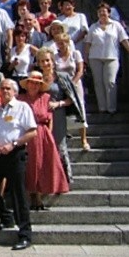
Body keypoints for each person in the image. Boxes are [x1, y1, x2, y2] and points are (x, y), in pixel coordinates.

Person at [0, 79, 36, 250]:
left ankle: (25, 234)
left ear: (14, 91)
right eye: (2, 88)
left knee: (18, 194)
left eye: (8, 88)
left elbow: (32, 131)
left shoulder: (22, 107)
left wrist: (13, 144)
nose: (5, 91)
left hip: (15, 154)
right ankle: (6, 218)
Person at [18, 72, 69, 210]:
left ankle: (39, 195)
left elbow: (49, 118)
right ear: (27, 84)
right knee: (29, 166)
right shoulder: (20, 99)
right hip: (26, 133)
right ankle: (31, 195)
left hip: (42, 133)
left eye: (37, 83)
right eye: (32, 82)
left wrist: (48, 136)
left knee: (42, 165)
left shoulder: (46, 98)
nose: (34, 85)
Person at [37, 48, 85, 183]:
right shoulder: (36, 77)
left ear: (52, 61)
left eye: (47, 60)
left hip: (58, 114)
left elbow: (71, 99)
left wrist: (58, 104)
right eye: (42, 61)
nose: (45, 63)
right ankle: (47, 179)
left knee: (60, 146)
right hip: (41, 116)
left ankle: (65, 178)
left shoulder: (62, 77)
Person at [84, 2, 129, 115]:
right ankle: (102, 108)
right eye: (100, 12)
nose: (102, 14)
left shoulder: (116, 25)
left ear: (109, 13)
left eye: (104, 11)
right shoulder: (93, 27)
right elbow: (87, 43)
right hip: (95, 57)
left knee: (110, 82)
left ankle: (111, 108)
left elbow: (124, 39)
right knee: (98, 82)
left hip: (111, 57)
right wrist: (85, 57)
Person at [55, 33, 90, 151]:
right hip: (61, 87)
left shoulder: (76, 54)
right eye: (58, 43)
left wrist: (72, 83)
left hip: (75, 85)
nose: (61, 45)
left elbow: (80, 70)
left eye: (63, 42)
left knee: (80, 111)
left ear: (68, 42)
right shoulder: (55, 56)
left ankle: (84, 140)